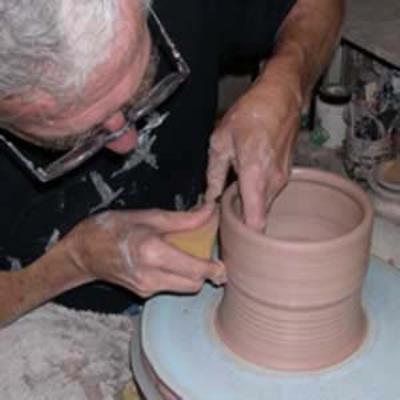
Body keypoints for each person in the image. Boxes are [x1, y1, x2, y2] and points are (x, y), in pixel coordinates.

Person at [0, 0, 344, 325]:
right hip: (36, 311)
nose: (128, 143)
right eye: (72, 139)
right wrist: (75, 262)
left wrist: (286, 79)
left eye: (142, 87)